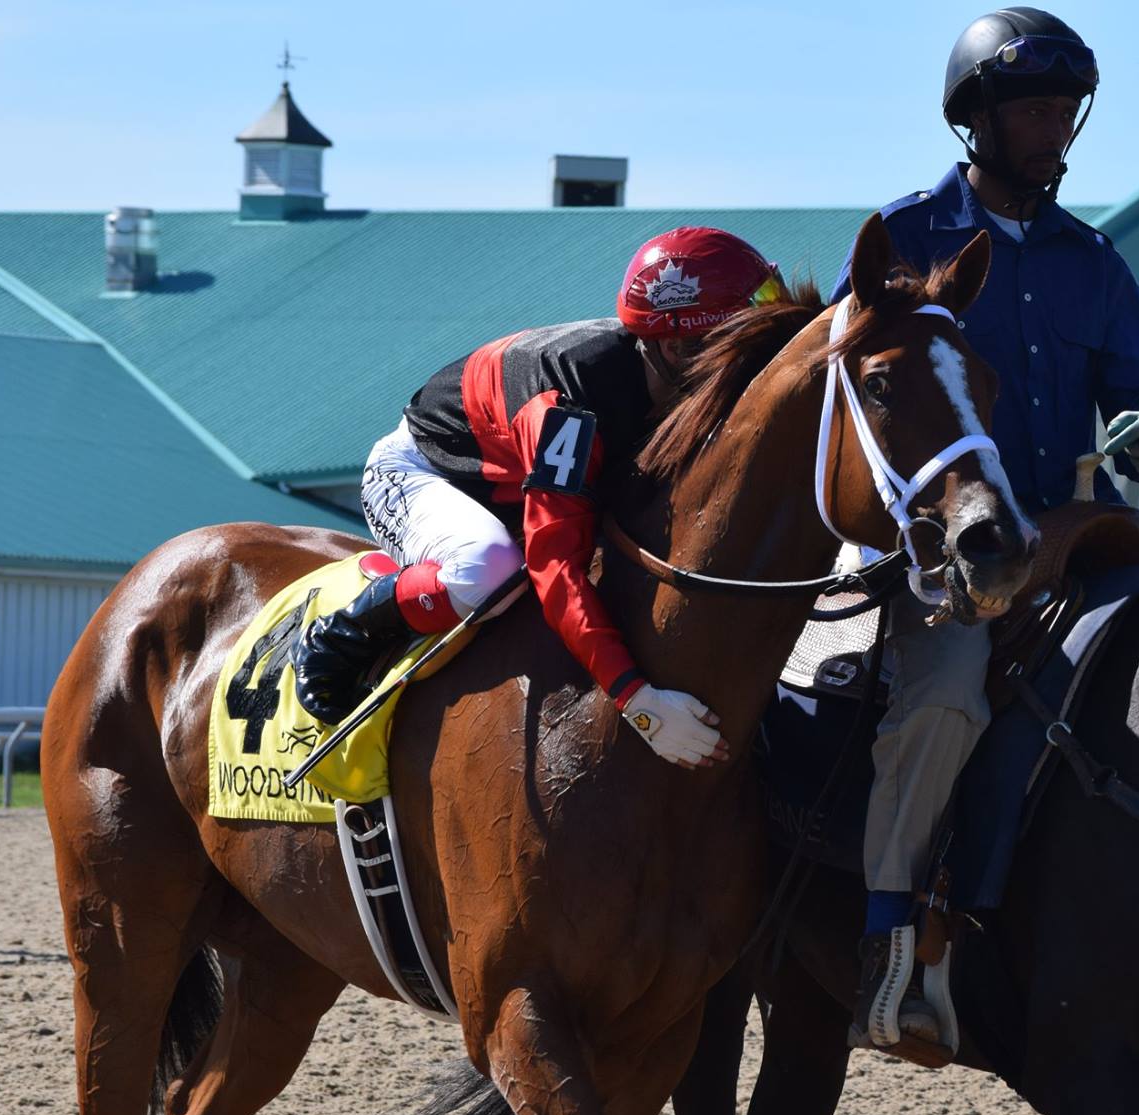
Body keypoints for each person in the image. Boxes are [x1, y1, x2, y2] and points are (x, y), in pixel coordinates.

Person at [832, 7, 1139, 1053]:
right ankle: (890, 940)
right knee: (945, 693)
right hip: (937, 556)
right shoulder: (904, 238)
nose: (1053, 129)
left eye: (1062, 109)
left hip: (1073, 546)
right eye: (1033, 109)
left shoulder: (1093, 262)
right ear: (977, 121)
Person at [292, 227, 787, 768]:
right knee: (492, 571)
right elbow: (553, 563)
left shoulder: (667, 369)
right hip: (420, 472)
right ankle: (341, 635)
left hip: (511, 469)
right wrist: (637, 701)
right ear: (678, 347)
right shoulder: (569, 413)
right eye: (748, 340)